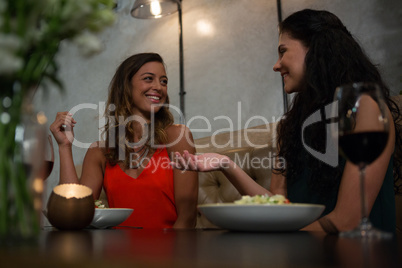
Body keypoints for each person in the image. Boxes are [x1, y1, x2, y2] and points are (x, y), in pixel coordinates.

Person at [171, 9, 401, 233]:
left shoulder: (366, 109)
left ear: (315, 50)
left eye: (283, 51)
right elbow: (277, 205)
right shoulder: (289, 127)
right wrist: (226, 165)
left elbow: (347, 220)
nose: (276, 65)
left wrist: (284, 246)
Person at [50, 53, 198, 229]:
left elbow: (187, 218)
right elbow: (73, 215)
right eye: (149, 79)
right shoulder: (99, 152)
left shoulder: (178, 137)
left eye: (164, 81)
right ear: (126, 86)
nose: (159, 87)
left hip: (169, 252)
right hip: (115, 254)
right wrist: (65, 146)